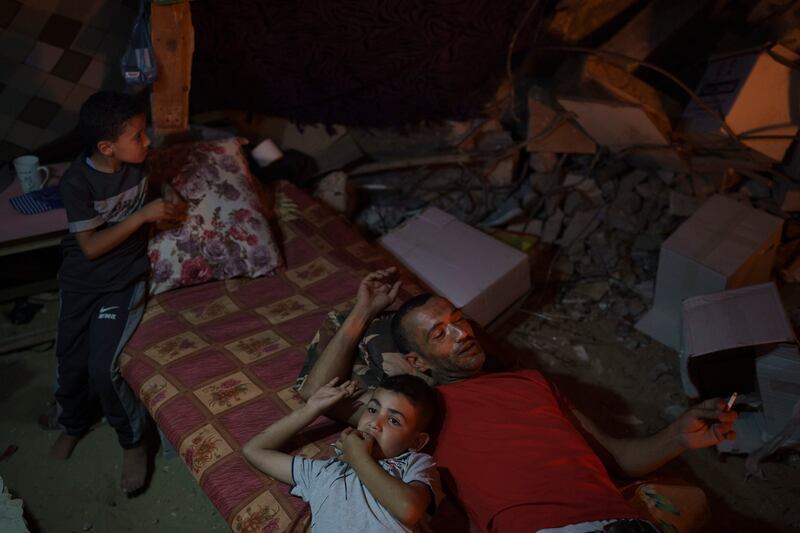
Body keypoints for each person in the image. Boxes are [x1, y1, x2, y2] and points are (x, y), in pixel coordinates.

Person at [299, 268, 738, 533]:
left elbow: (619, 458)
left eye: (459, 321)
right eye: (440, 334)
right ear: (416, 361)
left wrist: (678, 436)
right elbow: (315, 394)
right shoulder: (419, 408)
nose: (462, 334)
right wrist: (363, 311)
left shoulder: (529, 381)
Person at [51, 90, 185, 493]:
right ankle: (72, 422)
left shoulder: (141, 165)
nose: (147, 142)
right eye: (139, 136)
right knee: (69, 358)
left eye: (146, 133)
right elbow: (89, 247)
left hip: (122, 283)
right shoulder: (78, 181)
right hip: (80, 281)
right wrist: (143, 215)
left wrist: (169, 200)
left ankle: (132, 442)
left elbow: (166, 187)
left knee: (102, 368)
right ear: (107, 147)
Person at [243, 374, 443, 532]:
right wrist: (312, 409)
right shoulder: (326, 471)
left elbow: (408, 509)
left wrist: (358, 457)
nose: (375, 423)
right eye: (373, 410)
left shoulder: (415, 464)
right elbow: (254, 450)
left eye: (394, 420)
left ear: (417, 441)